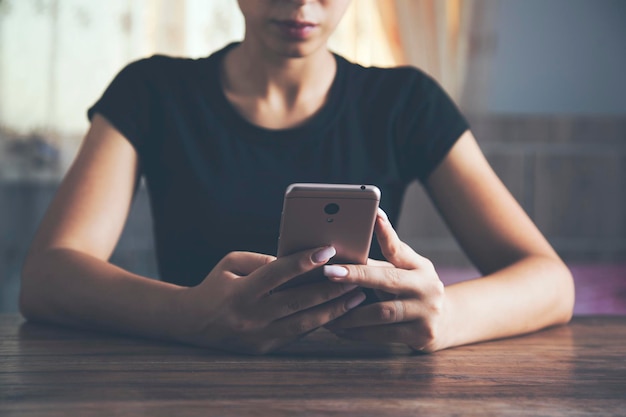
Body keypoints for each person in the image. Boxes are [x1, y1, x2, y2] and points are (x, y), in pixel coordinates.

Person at [19, 0, 574, 355]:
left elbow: (550, 281)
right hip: (189, 390)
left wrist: (446, 317)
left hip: (363, 394)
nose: (302, 3)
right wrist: (188, 316)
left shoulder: (407, 101)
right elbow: (47, 276)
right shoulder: (150, 91)